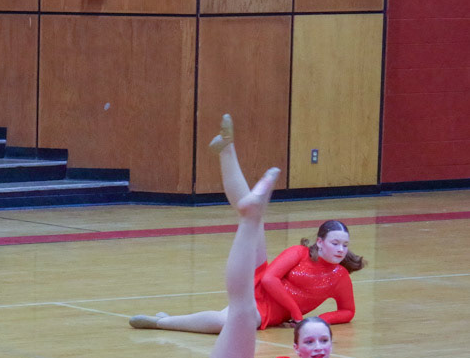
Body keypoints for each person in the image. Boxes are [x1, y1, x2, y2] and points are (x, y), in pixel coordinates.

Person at [102, 151, 428, 358]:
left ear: (331, 346)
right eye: (309, 341)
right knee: (241, 303)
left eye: (323, 341)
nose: (317, 347)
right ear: (297, 348)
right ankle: (228, 154)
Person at [128, 116, 363, 335]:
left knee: (226, 322)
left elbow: (348, 311)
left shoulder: (340, 276)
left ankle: (162, 321)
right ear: (320, 242)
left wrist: (318, 319)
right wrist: (297, 314)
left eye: (345, 245)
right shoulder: (299, 253)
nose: (341, 249)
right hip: (260, 285)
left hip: (266, 312)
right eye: (335, 243)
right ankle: (227, 148)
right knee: (253, 216)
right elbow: (269, 279)